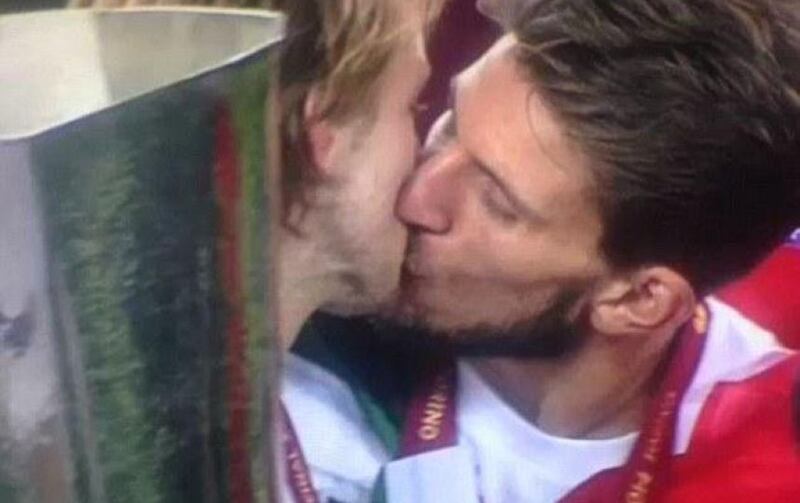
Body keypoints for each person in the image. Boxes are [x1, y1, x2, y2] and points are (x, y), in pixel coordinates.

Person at [290, 0, 800, 501]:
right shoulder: (306, 338)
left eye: (496, 203)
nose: (415, 197)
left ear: (638, 300)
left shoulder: (770, 461)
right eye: (449, 124)